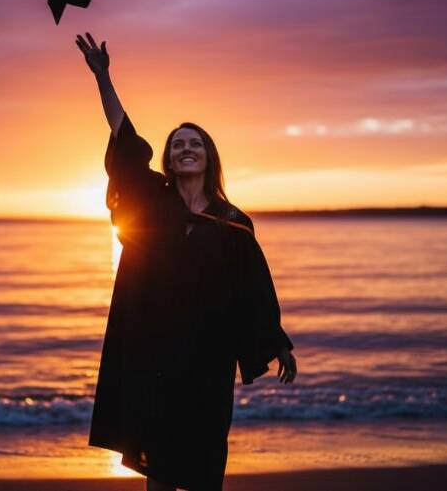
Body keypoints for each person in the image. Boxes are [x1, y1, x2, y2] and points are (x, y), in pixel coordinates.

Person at [76, 32, 297, 491]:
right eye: (177, 145)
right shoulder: (154, 203)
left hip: (207, 364)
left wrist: (277, 341)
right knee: (157, 468)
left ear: (208, 157)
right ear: (171, 162)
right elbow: (126, 139)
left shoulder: (233, 222)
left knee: (204, 465)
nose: (185, 148)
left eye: (194, 142)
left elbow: (254, 289)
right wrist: (104, 78)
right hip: (156, 356)